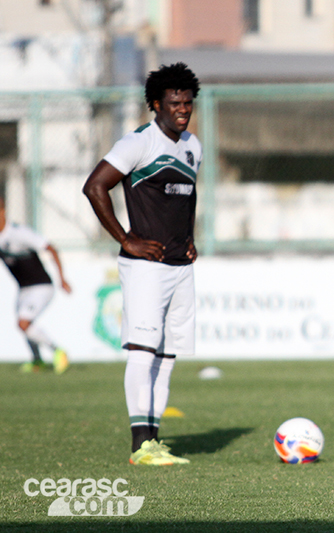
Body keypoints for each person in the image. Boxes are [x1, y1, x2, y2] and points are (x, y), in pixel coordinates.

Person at [83, 62, 201, 466]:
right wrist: (125, 239)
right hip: (146, 267)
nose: (182, 109)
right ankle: (140, 446)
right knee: (143, 351)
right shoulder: (138, 143)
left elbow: (187, 197)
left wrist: (189, 239)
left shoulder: (193, 146)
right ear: (155, 104)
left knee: (166, 358)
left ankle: (154, 442)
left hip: (180, 267)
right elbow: (94, 186)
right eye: (174, 103)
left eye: (187, 102)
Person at [0, 196, 70, 374]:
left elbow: (51, 248)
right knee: (26, 326)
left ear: (3, 211)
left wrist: (62, 278)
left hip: (41, 286)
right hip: (23, 289)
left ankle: (58, 351)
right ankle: (37, 361)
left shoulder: (19, 232)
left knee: (23, 323)